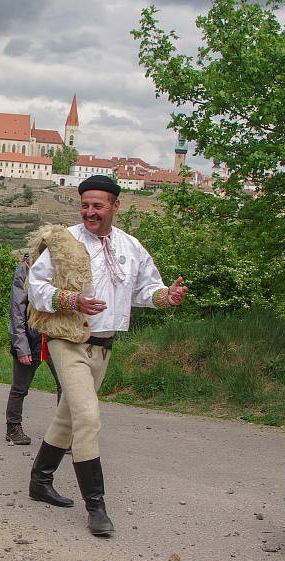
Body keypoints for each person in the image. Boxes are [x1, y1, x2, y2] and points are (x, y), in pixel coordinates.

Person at [27, 175, 187, 536]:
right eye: (85, 204)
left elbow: (147, 288)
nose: (89, 212)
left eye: (98, 205)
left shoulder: (130, 246)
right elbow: (35, 288)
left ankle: (40, 480)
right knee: (87, 417)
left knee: (69, 417)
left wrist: (167, 297)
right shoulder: (63, 242)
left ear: (116, 206)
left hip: (104, 346)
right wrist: (71, 300)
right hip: (67, 340)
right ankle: (96, 507)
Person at [5, 254, 63, 445]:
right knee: (20, 387)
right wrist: (21, 346)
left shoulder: (64, 265)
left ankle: (65, 433)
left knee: (67, 386)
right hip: (31, 336)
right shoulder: (27, 266)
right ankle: (13, 427)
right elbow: (17, 308)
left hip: (58, 335)